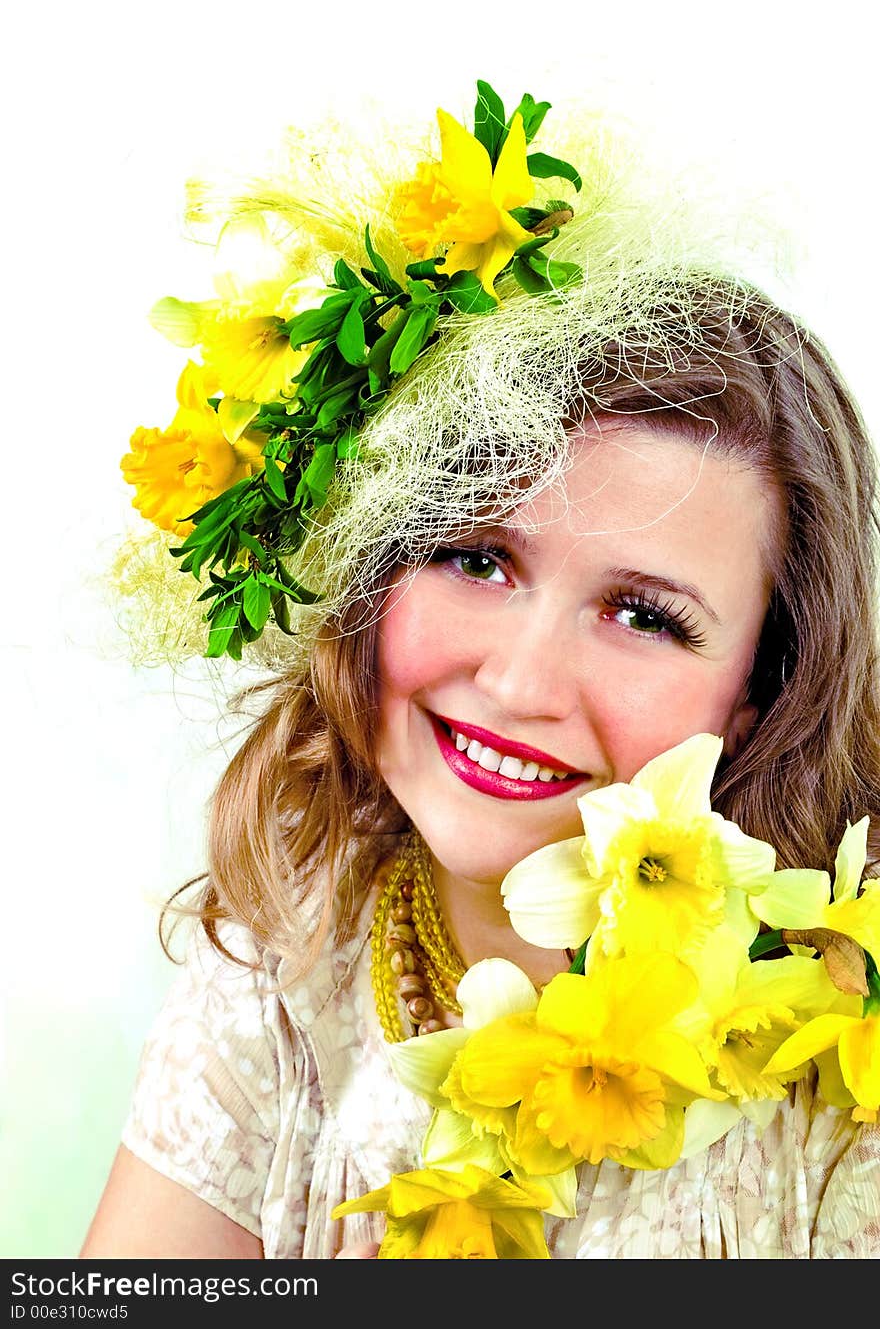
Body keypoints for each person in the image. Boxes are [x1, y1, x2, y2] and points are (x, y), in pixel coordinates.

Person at [81, 81, 880, 1259]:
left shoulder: (839, 1049)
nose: (516, 680)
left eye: (643, 616)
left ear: (763, 686)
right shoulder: (283, 960)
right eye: (474, 556)